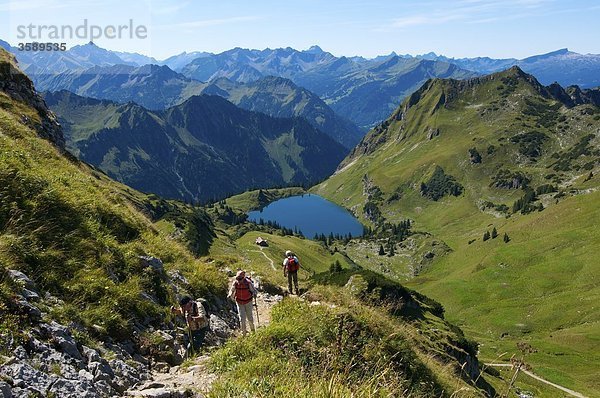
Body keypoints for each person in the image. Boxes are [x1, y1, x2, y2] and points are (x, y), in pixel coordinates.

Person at [228, 270, 258, 335]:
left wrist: (255, 294)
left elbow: (254, 291)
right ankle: (243, 333)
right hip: (239, 302)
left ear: (243, 277)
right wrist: (230, 294)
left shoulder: (248, 283)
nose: (238, 280)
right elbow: (232, 289)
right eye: (237, 278)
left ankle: (253, 331)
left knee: (250, 317)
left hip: (248, 302)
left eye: (240, 278)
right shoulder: (235, 283)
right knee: (242, 318)